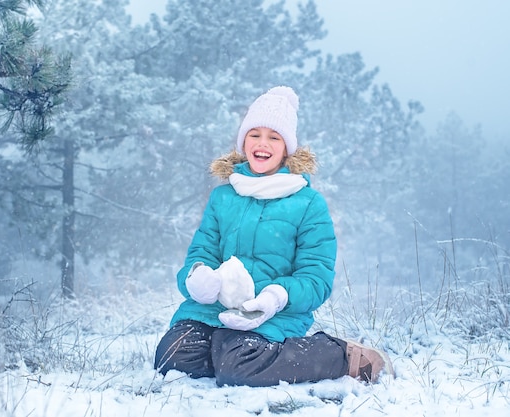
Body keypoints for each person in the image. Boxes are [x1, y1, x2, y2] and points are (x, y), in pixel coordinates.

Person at [154, 86, 394, 387]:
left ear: (287, 148)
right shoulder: (223, 197)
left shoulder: (308, 204)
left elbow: (316, 279)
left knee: (238, 366)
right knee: (172, 357)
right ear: (244, 142)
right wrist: (198, 278)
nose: (262, 143)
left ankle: (342, 357)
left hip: (270, 314)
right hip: (211, 311)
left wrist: (276, 296)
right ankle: (226, 350)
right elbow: (200, 253)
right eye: (254, 134)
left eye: (273, 136)